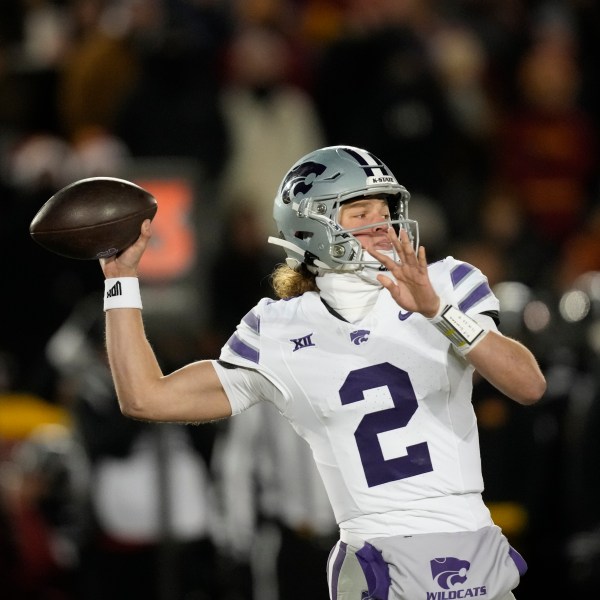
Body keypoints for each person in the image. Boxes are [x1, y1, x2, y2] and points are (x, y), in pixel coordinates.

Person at [99, 145, 546, 600]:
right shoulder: (277, 328)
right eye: (360, 212)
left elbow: (529, 385)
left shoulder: (448, 284)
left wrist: (437, 311)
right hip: (379, 560)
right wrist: (120, 279)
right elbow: (145, 397)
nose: (383, 226)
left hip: (474, 543)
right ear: (311, 226)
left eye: (386, 210)